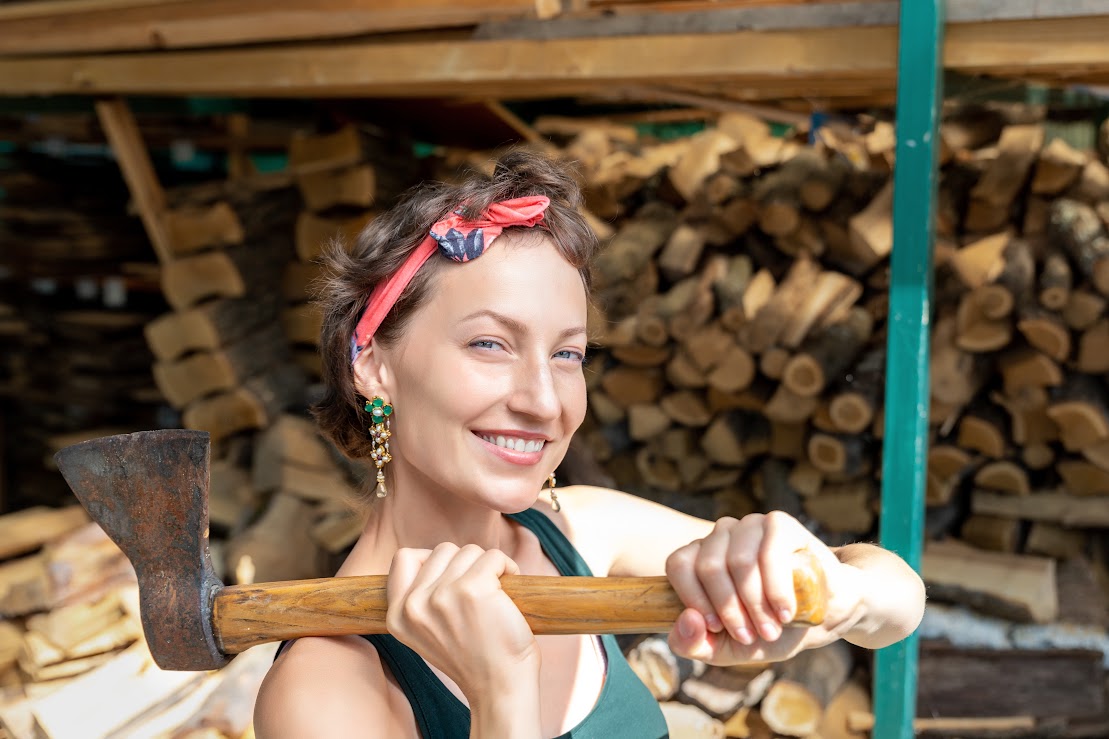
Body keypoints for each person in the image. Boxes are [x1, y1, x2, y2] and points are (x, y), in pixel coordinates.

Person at [253, 150, 926, 738]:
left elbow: (899, 600)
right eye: (490, 343)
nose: (543, 401)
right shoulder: (326, 685)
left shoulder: (578, 530)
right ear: (372, 364)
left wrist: (829, 591)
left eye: (567, 353)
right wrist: (499, 692)